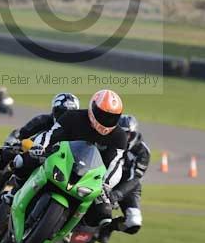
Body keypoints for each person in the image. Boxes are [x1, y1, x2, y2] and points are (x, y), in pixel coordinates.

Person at [12, 89, 127, 231]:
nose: (106, 120)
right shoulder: (73, 117)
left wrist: (106, 185)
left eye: (111, 117)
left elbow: (115, 164)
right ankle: (16, 190)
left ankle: (74, 228)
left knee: (103, 214)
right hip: (60, 159)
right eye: (102, 115)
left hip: (88, 175)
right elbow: (51, 134)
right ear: (92, 108)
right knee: (20, 162)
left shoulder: (120, 136)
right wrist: (40, 147)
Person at [0, 92, 80, 206]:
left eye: (68, 115)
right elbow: (21, 133)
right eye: (61, 112)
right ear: (54, 110)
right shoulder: (43, 120)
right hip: (34, 152)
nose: (63, 117)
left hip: (57, 161)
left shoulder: (74, 131)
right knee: (2, 155)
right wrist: (13, 141)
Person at [98, 114, 150, 243]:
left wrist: (118, 193)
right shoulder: (107, 140)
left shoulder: (142, 151)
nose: (124, 137)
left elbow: (135, 178)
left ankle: (110, 227)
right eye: (120, 132)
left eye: (127, 134)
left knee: (134, 223)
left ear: (133, 134)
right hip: (104, 177)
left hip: (128, 187)